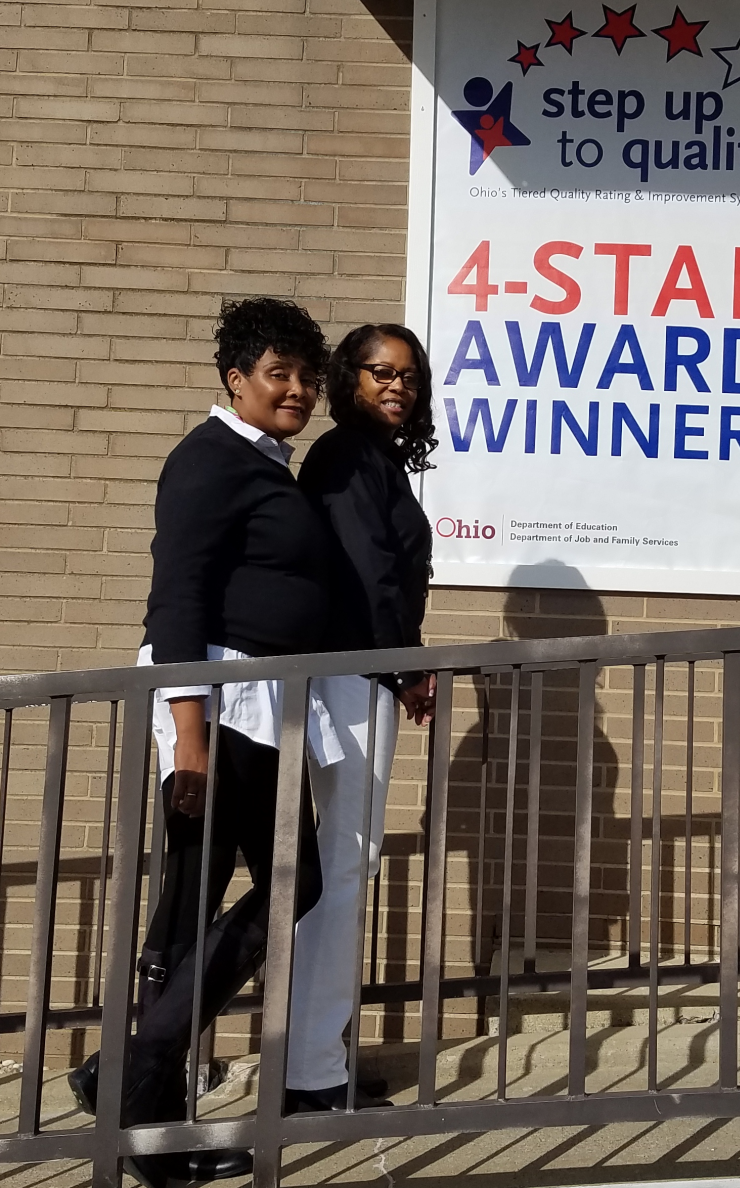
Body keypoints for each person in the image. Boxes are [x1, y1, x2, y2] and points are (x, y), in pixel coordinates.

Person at [71, 298, 332, 1188]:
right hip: (220, 704)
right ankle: (136, 1091)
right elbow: (176, 595)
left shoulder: (264, 464)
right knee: (269, 884)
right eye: (278, 373)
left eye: (307, 374)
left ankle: (131, 1087)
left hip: (256, 703)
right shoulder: (209, 459)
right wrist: (189, 735)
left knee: (223, 899)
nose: (297, 388)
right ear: (237, 379)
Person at [284, 323, 437, 1112]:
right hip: (351, 673)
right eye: (381, 372)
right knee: (345, 864)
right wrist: (407, 666)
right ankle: (309, 1070)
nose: (397, 386)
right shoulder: (347, 457)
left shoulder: (372, 458)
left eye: (408, 376)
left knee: (345, 864)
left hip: (362, 671)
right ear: (350, 378)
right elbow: (371, 574)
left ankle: (314, 1056)